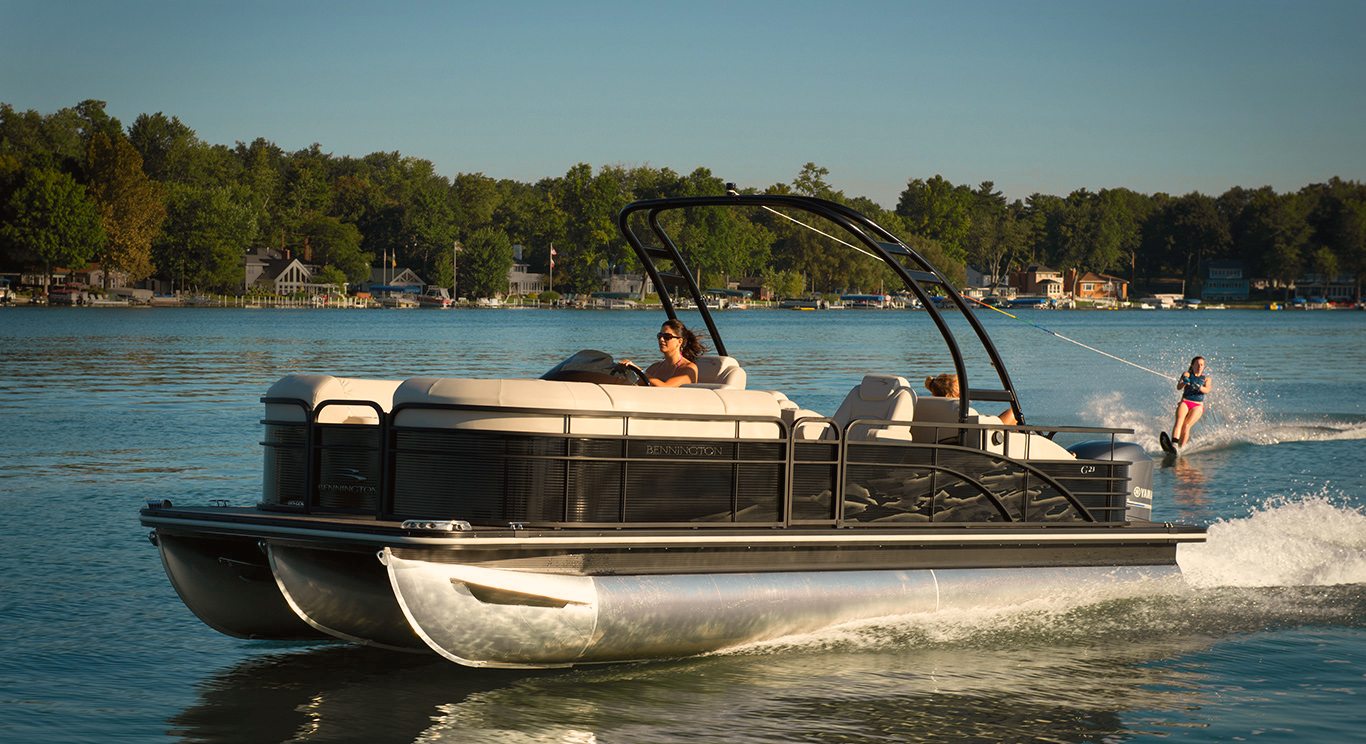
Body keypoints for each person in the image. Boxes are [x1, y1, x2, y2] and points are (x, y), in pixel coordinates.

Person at [620, 320, 705, 387]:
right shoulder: (654, 367)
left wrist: (639, 370)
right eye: (659, 336)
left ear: (679, 341)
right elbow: (636, 386)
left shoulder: (689, 369)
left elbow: (665, 388)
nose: (661, 339)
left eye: (667, 337)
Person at [923, 373, 1018, 425]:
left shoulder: (925, 408)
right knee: (1012, 413)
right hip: (976, 447)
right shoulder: (961, 412)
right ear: (958, 393)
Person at [1169, 356, 1210, 448]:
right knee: (1179, 422)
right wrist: (1184, 382)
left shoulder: (1207, 379)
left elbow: (1207, 390)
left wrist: (1199, 387)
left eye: (1202, 365)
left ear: (1204, 367)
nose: (1199, 367)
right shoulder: (1187, 374)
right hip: (1185, 402)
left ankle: (1181, 448)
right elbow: (1179, 387)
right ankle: (1174, 444)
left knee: (1186, 426)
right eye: (1197, 364)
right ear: (1192, 365)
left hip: (1197, 405)